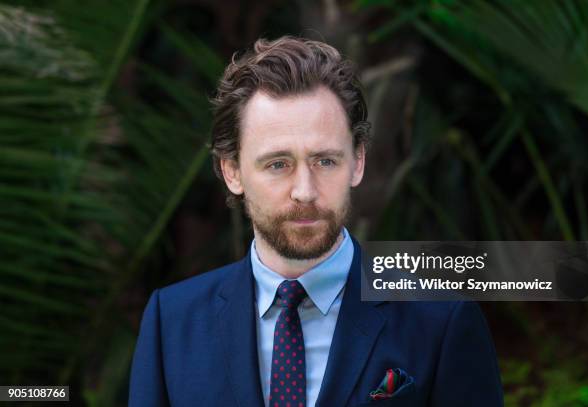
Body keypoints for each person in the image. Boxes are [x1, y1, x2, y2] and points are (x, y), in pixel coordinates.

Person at [128, 36, 504, 407]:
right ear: (232, 172)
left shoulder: (442, 318)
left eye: (325, 161)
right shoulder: (171, 321)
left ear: (357, 161)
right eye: (278, 164)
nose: (304, 191)